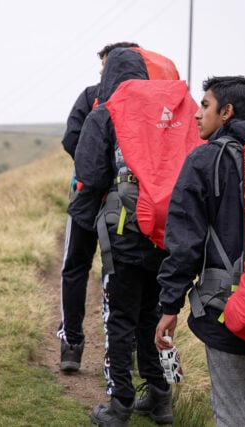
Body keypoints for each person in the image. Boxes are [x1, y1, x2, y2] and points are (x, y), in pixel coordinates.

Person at [155, 76, 245, 426]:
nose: (197, 115)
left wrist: (170, 305)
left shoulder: (204, 160)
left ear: (226, 112)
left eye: (205, 105)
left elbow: (185, 242)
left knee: (230, 414)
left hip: (224, 307)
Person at [73, 47, 173, 426]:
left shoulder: (108, 111)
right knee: (151, 314)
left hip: (125, 230)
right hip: (164, 231)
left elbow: (91, 172)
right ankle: (160, 397)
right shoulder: (167, 116)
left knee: (121, 318)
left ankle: (120, 405)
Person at [57, 41, 139, 372]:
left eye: (106, 64)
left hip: (88, 196)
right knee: (117, 272)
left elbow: (70, 139)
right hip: (130, 204)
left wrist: (94, 166)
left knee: (75, 267)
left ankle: (72, 345)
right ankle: (120, 351)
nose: (104, 71)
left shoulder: (91, 95)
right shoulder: (147, 103)